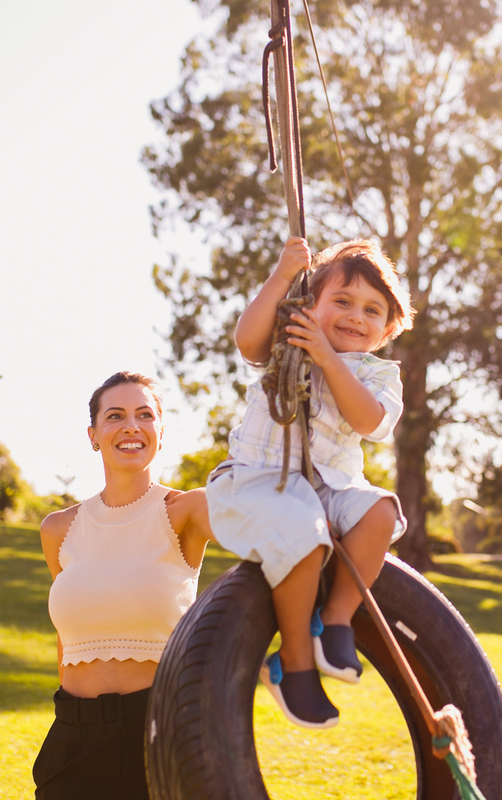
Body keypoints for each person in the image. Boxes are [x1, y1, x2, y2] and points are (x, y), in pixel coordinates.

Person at [207, 236, 415, 728]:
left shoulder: (381, 375)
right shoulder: (290, 339)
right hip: (260, 481)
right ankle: (293, 662)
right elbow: (247, 341)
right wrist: (283, 275)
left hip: (330, 489)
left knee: (382, 511)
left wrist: (328, 359)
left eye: (372, 310)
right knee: (302, 533)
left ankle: (335, 619)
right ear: (310, 304)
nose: (355, 316)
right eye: (341, 301)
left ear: (386, 328)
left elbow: (369, 421)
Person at [34, 371, 214, 800]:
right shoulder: (58, 529)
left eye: (144, 415)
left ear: (161, 432)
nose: (131, 426)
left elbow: (267, 526)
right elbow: (68, 638)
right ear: (93, 435)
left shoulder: (188, 510)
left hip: (158, 731)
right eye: (115, 416)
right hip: (72, 736)